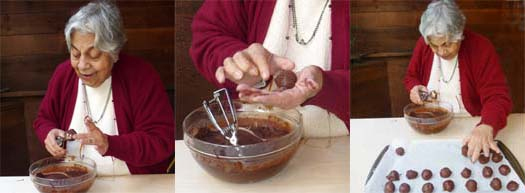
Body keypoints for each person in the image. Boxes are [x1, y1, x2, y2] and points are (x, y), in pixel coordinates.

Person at [33, 1, 174, 175]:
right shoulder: (63, 74)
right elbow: (44, 119)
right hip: (74, 180)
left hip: (134, 183)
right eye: (76, 54)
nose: (83, 65)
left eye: (94, 55)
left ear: (114, 52)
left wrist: (110, 144)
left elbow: (161, 141)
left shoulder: (141, 76)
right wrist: (49, 133)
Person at [190, 0, 350, 137]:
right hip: (246, 135)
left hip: (342, 144)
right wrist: (241, 62)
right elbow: (208, 34)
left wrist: (325, 84)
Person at [404, 0, 512, 162]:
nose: (440, 51)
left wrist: (487, 125)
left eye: (447, 44)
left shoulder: (481, 48)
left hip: (471, 126)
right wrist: (414, 87)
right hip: (432, 124)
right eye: (434, 45)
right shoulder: (424, 44)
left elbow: (498, 96)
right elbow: (411, 76)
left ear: (459, 34)